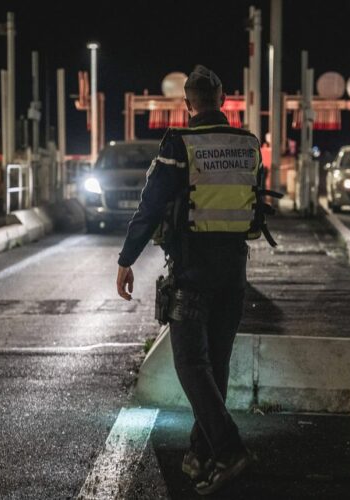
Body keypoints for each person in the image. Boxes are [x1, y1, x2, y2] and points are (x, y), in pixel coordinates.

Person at [116, 65, 277, 495]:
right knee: (216, 363)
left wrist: (126, 259)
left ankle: (228, 449)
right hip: (235, 272)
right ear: (223, 101)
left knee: (190, 364)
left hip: (191, 271)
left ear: (188, 105)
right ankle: (200, 453)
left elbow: (150, 207)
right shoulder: (247, 144)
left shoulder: (178, 144)